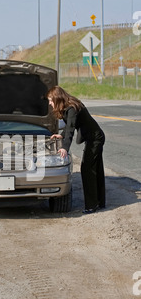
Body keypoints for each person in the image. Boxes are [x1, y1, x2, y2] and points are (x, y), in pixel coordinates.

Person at [46, 86, 105, 214]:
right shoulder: (69, 106)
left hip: (95, 139)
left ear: (57, 98)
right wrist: (61, 134)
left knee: (87, 169)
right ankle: (100, 202)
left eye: (51, 100)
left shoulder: (72, 108)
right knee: (96, 169)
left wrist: (64, 148)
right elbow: (69, 126)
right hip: (94, 138)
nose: (50, 103)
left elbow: (71, 129)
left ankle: (91, 206)